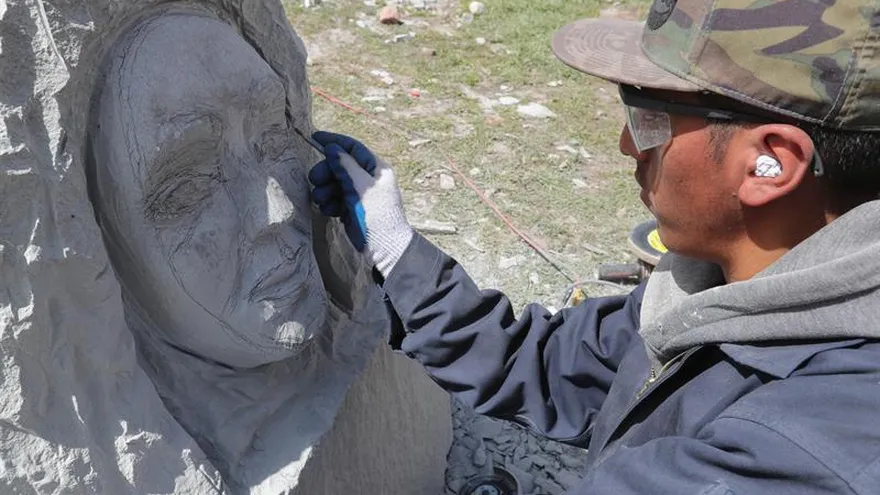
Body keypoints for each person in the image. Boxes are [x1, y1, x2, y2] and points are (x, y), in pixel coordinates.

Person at [308, 1, 880, 493]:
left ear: (770, 162)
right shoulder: (723, 285)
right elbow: (552, 363)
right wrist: (396, 250)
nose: (628, 144)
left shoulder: (805, 452)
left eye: (650, 117)